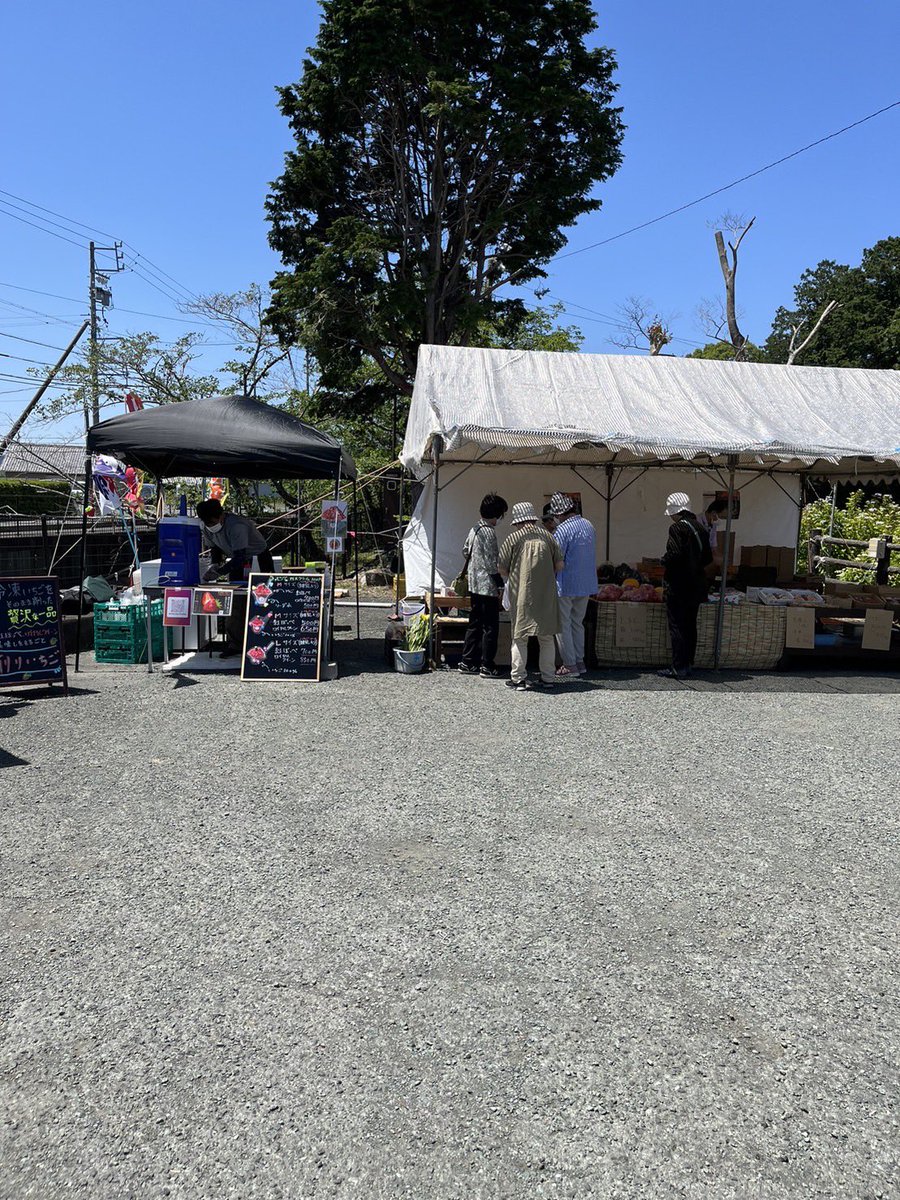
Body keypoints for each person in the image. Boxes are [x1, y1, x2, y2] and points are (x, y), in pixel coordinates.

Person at [196, 499, 274, 656]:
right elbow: (214, 548)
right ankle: (235, 643)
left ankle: (265, 641)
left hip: (257, 558)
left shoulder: (237, 526)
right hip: (236, 561)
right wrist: (215, 564)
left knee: (262, 601)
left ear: (221, 515)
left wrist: (220, 572)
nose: (210, 526)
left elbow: (240, 557)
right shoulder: (206, 526)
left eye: (212, 522)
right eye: (207, 523)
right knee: (236, 601)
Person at [499, 501, 563, 692]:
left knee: (520, 637)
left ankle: (518, 679)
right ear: (533, 518)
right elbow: (560, 565)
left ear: (518, 521)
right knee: (546, 637)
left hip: (522, 593)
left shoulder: (513, 538)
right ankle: (548, 678)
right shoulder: (549, 537)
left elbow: (501, 567)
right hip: (546, 594)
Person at [659, 492, 713, 679]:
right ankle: (689, 663)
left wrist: (663, 561)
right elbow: (708, 558)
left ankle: (678, 667)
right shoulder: (701, 527)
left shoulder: (677, 529)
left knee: (677, 626)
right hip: (698, 584)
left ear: (676, 512)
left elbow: (673, 554)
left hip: (679, 585)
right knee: (690, 625)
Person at [458, 493, 508, 678]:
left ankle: (467, 661)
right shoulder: (489, 532)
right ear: (495, 514)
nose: (500, 519)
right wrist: (500, 585)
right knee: (490, 627)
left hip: (473, 584)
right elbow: (492, 562)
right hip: (487, 586)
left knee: (474, 624)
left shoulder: (474, 528)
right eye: (500, 514)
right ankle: (487, 664)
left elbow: (465, 551)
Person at [549, 492, 596, 677]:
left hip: (566, 583)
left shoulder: (562, 530)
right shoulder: (589, 525)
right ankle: (579, 661)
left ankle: (569, 664)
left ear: (560, 513)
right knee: (578, 623)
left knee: (563, 625)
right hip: (586, 583)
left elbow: (557, 558)